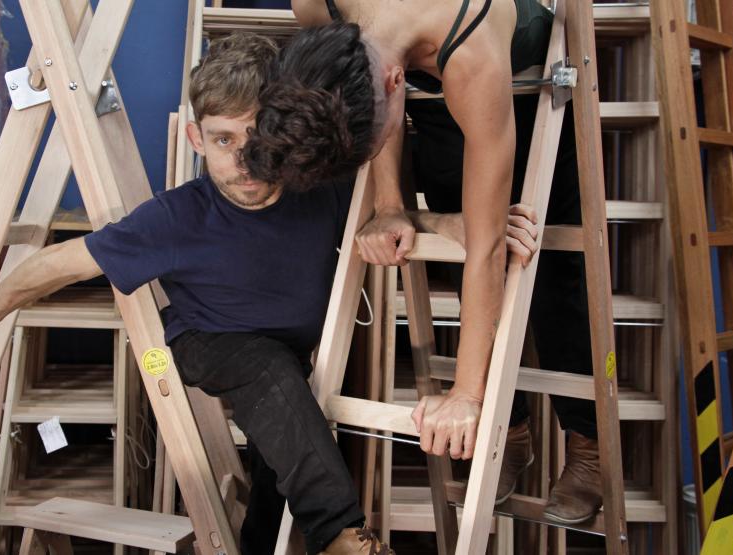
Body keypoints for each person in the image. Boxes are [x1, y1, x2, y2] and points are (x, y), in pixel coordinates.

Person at [0, 33, 534, 554]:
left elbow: (386, 220)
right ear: (195, 138)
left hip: (300, 356)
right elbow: (63, 262)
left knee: (283, 460)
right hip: (212, 341)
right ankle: (344, 537)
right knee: (270, 377)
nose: (242, 160)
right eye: (221, 140)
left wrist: (462, 226)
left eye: (254, 137)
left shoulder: (316, 183)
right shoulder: (176, 217)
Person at [242, 0, 602, 525]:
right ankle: (517, 433)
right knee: (458, 264)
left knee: (545, 277)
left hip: (517, 81)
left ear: (395, 83)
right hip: (427, 83)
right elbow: (364, 92)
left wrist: (466, 395)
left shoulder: (473, 56)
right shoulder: (316, 7)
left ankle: (587, 447)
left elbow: (486, 247)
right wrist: (389, 206)